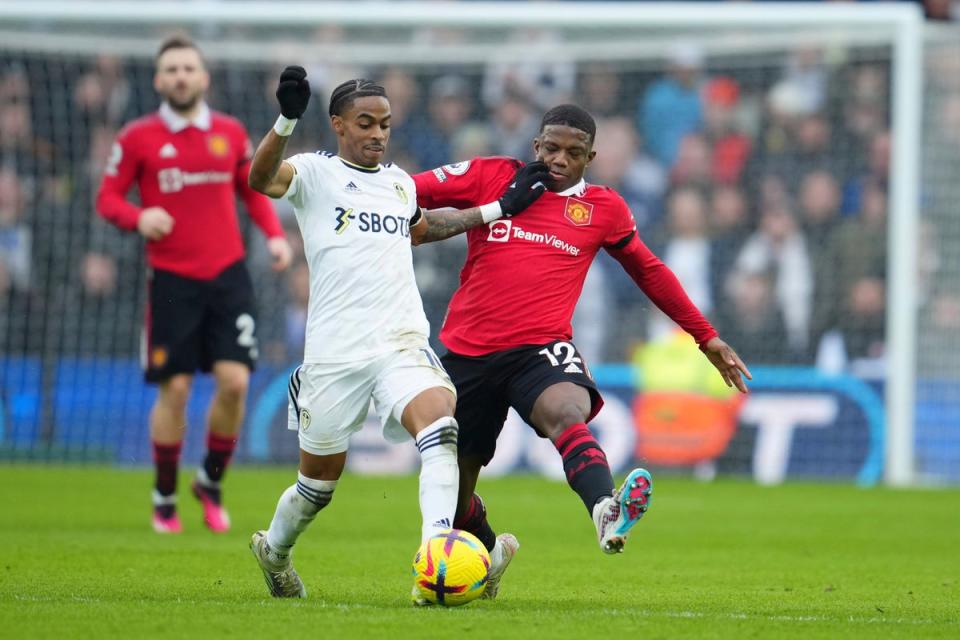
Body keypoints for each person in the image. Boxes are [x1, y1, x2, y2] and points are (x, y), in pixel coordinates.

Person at [412, 104, 752, 598]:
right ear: (536, 146)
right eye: (551, 148)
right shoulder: (493, 176)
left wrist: (706, 336)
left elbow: (649, 271)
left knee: (565, 410)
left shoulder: (602, 208)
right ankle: (487, 553)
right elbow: (408, 189)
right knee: (458, 490)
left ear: (590, 157)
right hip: (468, 353)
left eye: (573, 153)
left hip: (541, 348)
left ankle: (605, 510)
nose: (559, 160)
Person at [245, 68, 548, 601]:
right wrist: (287, 118)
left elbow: (425, 228)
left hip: (400, 341)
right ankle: (274, 550)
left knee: (441, 425)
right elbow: (260, 179)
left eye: (385, 124)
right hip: (335, 354)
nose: (378, 134)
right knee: (317, 488)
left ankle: (436, 559)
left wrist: (499, 209)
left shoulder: (400, 183)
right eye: (365, 123)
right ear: (338, 124)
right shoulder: (315, 172)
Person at [95, 36, 293, 534]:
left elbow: (253, 191)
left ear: (203, 78)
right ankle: (164, 496)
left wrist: (274, 237)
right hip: (171, 282)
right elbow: (107, 199)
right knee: (176, 389)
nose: (181, 76)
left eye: (189, 68)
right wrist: (140, 218)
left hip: (228, 276)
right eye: (171, 70)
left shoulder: (228, 132)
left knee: (235, 383)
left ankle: (210, 482)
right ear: (159, 80)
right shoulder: (137, 137)